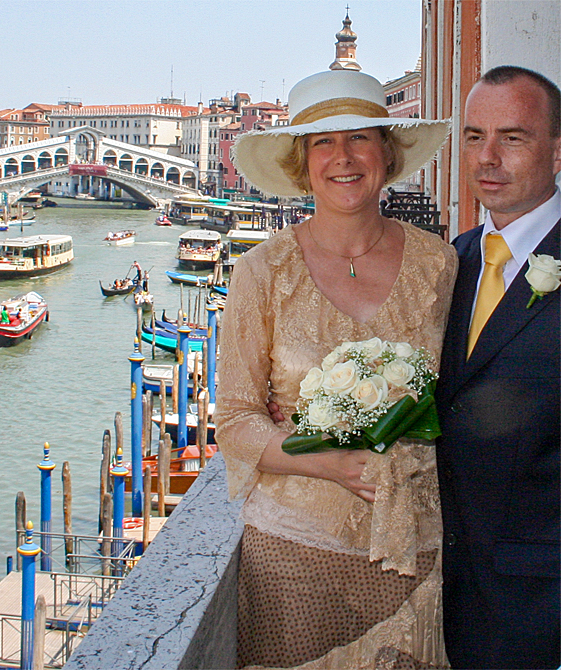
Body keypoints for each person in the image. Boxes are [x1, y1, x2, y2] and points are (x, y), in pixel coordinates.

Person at [215, 68, 456, 669]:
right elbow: (236, 421)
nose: (343, 157)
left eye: (360, 137)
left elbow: (461, 397)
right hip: (292, 561)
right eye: (324, 141)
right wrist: (330, 460)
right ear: (302, 161)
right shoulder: (260, 273)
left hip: (416, 553)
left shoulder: (441, 265)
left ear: (387, 151)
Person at [435, 66, 560, 670]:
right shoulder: (447, 265)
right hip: (446, 594)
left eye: (513, 137)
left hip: (544, 606)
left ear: (558, 151)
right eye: (474, 135)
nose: (488, 157)